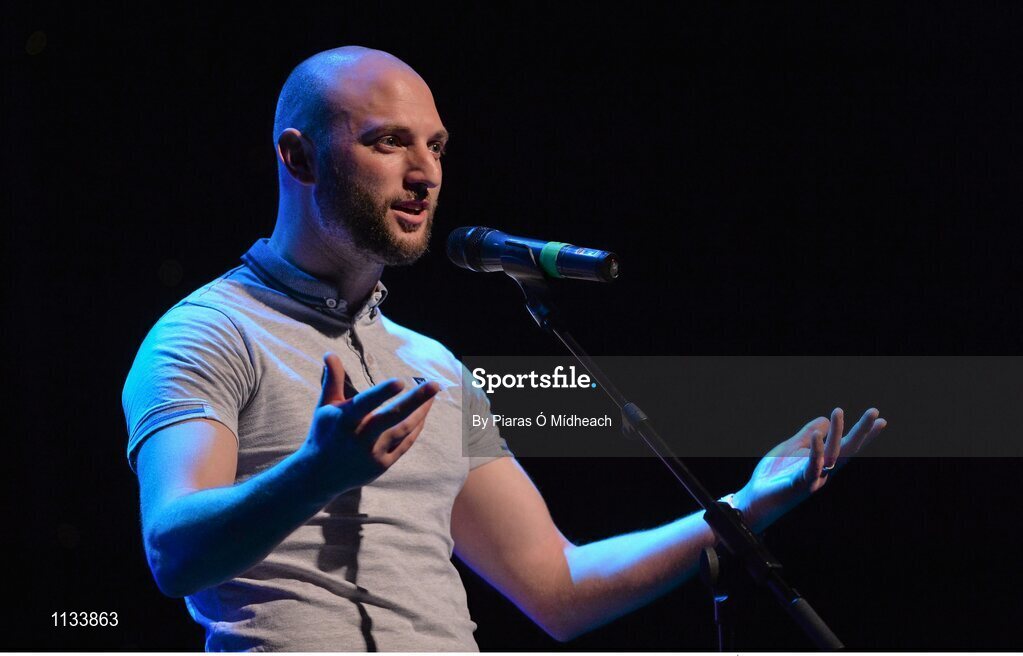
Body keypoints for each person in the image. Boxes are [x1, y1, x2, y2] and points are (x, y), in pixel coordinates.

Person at [122, 46, 887, 651]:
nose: (424, 173)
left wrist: (741, 509)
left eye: (436, 145)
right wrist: (314, 476)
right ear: (298, 157)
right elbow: (173, 553)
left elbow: (556, 586)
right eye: (388, 142)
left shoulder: (433, 368)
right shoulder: (207, 333)